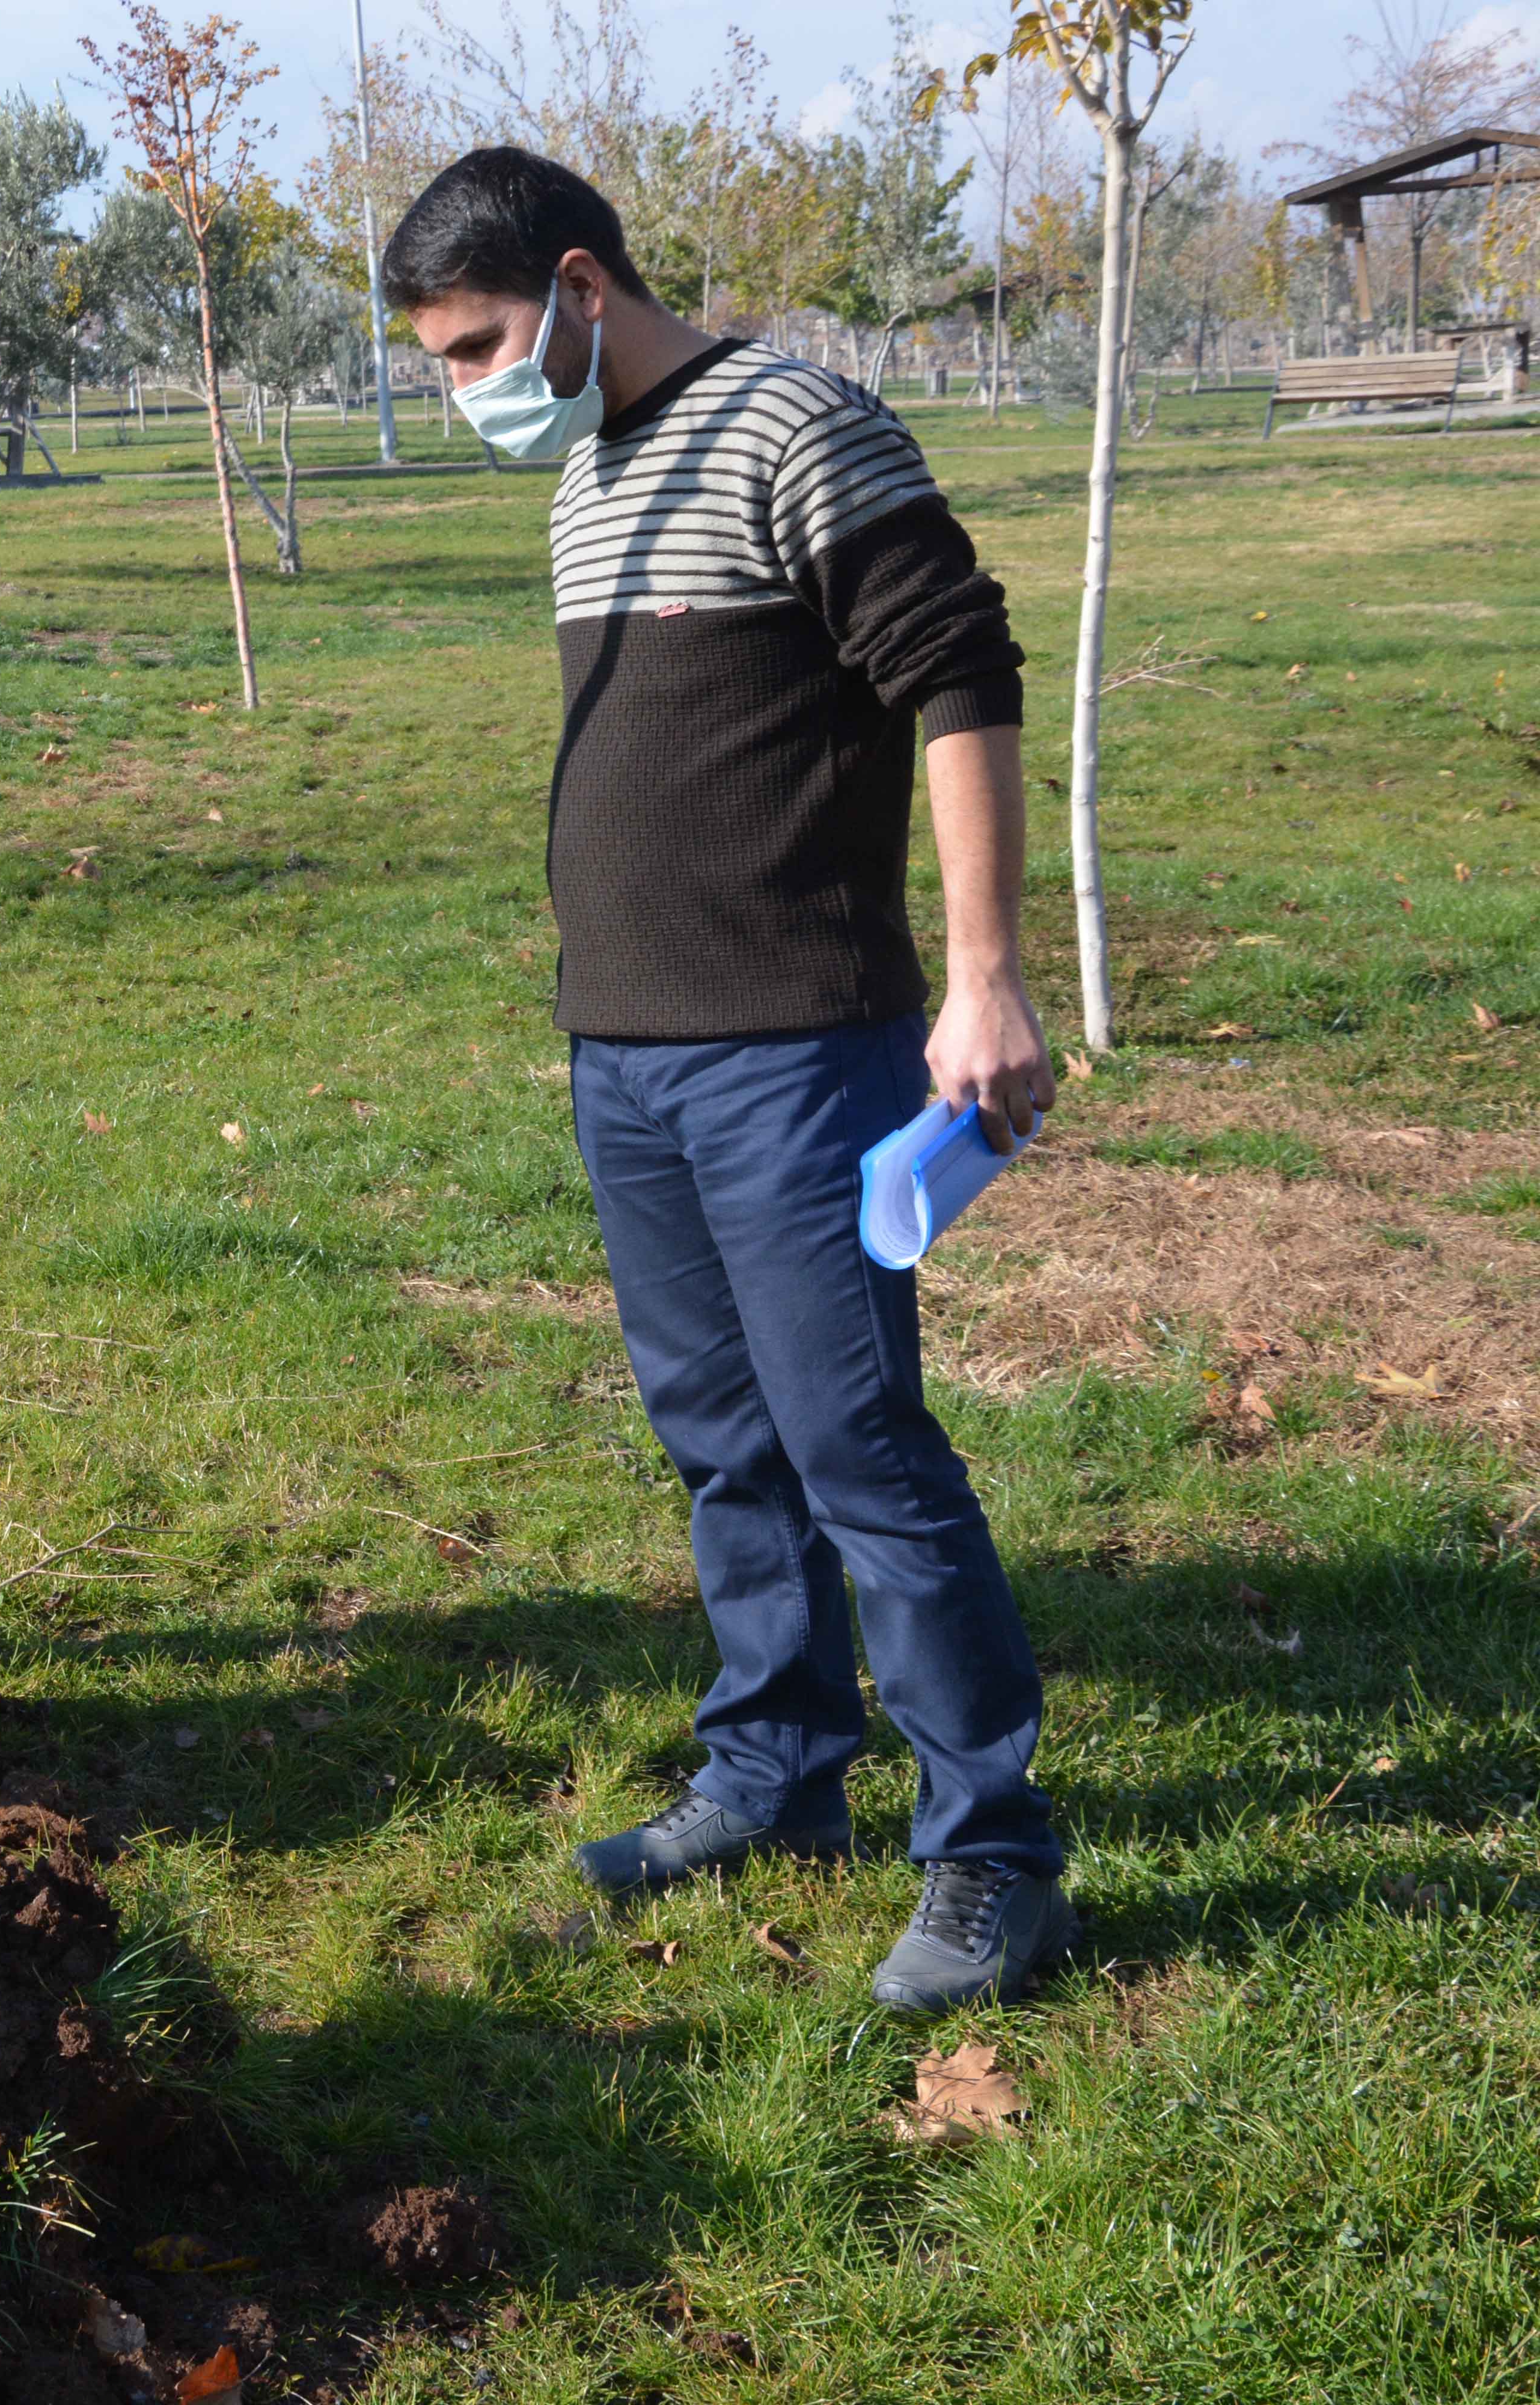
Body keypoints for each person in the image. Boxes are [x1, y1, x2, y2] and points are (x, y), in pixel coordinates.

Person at [380, 148, 1075, 2011]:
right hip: (629, 1057)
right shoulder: (593, 475)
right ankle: (776, 1775)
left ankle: (995, 1854)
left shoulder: (798, 425)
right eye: (441, 361)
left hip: (799, 1056)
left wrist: (991, 976)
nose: (466, 391)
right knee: (724, 1446)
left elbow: (960, 669)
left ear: (584, 285)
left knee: (860, 1449)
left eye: (475, 346)